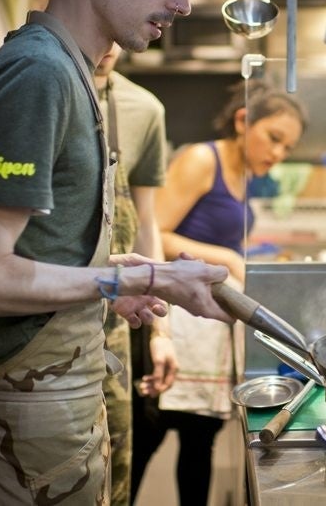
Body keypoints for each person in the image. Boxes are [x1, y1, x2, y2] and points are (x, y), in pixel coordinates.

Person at [0, 0, 233, 503]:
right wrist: (126, 282)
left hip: (52, 396)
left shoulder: (65, 69)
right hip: (25, 407)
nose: (180, 2)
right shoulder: (40, 73)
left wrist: (133, 271)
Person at [130, 83, 306, 505]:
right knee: (144, 446)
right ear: (243, 121)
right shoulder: (199, 159)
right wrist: (227, 256)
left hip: (207, 330)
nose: (278, 154)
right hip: (171, 322)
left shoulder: (243, 174)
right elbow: (154, 233)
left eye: (287, 147)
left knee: (198, 444)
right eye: (274, 138)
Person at [94, 42, 179, 506]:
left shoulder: (145, 109)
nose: (108, 47)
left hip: (117, 314)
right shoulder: (48, 90)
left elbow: (146, 222)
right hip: (52, 308)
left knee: (118, 455)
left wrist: (161, 333)